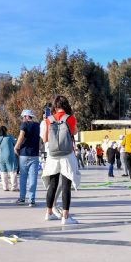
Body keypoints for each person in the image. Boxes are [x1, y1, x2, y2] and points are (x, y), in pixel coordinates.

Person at [41, 95, 80, 225]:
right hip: (67, 155)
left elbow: (45, 139)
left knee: (52, 185)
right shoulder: (70, 118)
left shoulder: (48, 119)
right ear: (66, 105)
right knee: (66, 185)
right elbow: (74, 133)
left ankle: (48, 213)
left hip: (52, 156)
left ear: (55, 106)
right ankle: (65, 216)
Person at [14, 109, 41, 207]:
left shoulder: (24, 124)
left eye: (23, 117)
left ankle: (22, 198)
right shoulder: (38, 125)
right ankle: (32, 200)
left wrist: (16, 146)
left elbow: (21, 137)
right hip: (35, 154)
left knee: (23, 177)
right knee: (33, 177)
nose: (22, 119)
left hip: (24, 154)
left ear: (26, 116)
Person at [0, 126, 18, 191]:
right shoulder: (10, 137)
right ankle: (14, 187)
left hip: (1, 157)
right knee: (12, 171)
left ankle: (5, 187)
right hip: (10, 156)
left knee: (3, 172)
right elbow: (16, 144)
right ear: (6, 131)